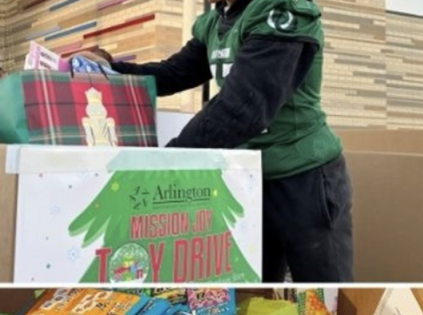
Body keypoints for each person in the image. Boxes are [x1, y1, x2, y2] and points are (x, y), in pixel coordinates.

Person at [75, 0, 353, 282]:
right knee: (258, 285)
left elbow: (244, 107)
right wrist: (111, 71)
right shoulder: (214, 21)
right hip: (250, 178)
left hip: (304, 177)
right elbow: (174, 73)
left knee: (323, 284)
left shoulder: (280, 9)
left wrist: (165, 160)